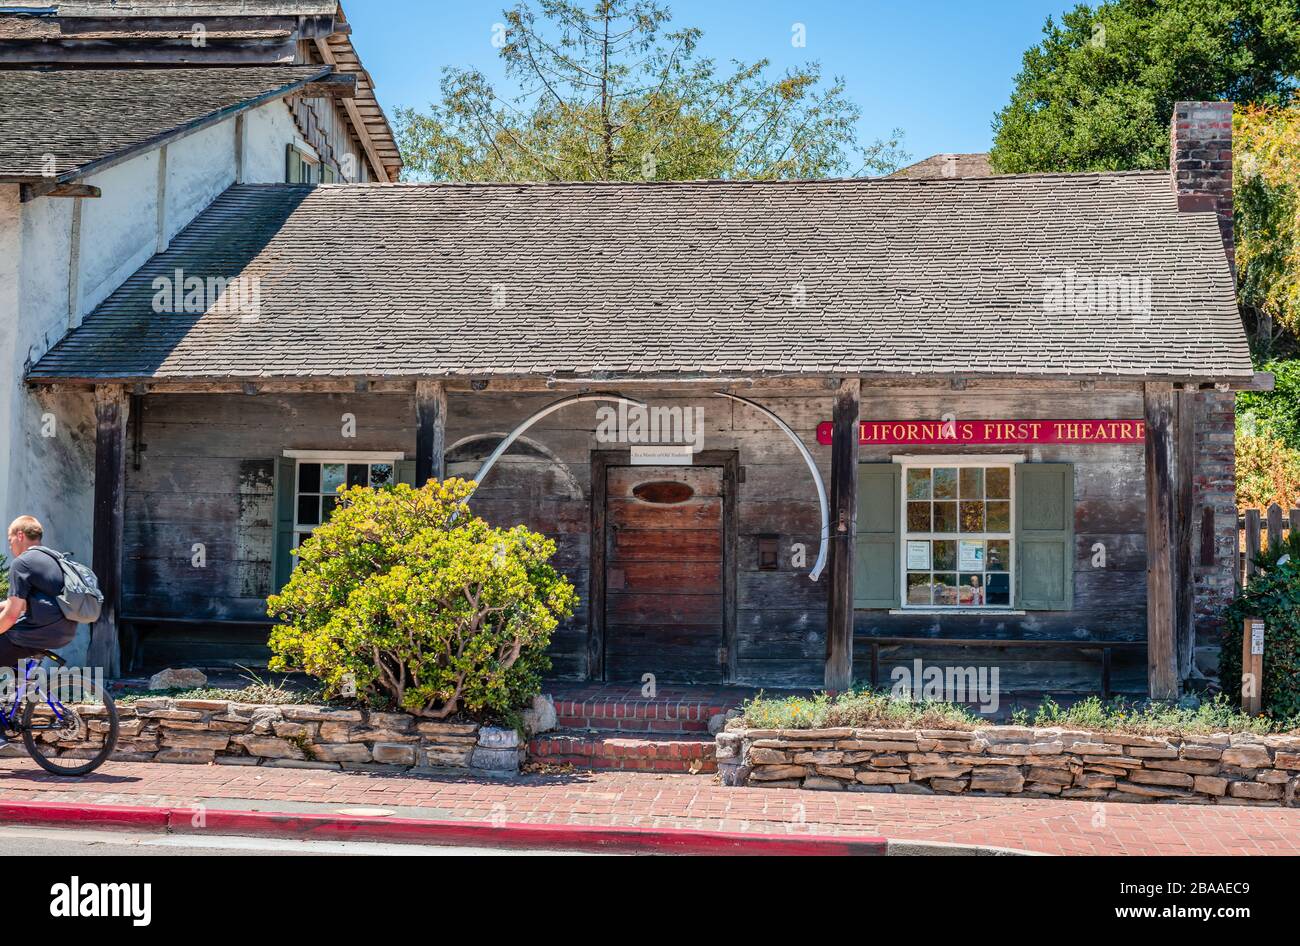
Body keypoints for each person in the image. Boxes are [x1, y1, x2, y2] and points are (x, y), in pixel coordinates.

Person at [0, 516, 79, 667]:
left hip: (37, 633)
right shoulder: (55, 559)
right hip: (65, 632)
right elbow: (37, 602)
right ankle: (22, 688)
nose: (10, 547)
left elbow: (11, 616)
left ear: (20, 536)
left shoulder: (22, 563)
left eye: (10, 540)